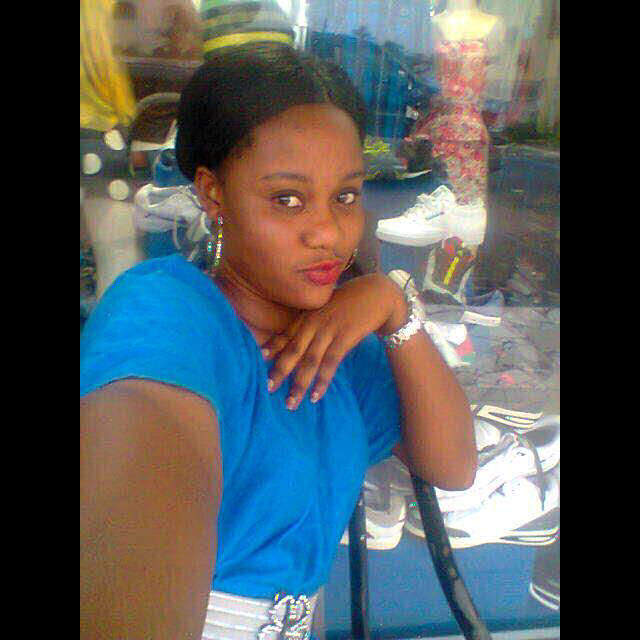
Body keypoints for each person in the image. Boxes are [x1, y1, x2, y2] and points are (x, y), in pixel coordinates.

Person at [80, 42, 476, 639]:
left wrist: (394, 305)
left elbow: (454, 465)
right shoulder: (166, 318)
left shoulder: (338, 346)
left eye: (345, 196)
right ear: (214, 194)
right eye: (287, 199)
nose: (328, 232)